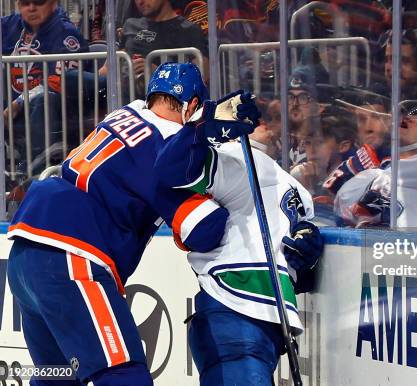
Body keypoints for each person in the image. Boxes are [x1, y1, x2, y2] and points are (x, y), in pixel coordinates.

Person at [6, 62, 259, 385]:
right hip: (72, 258)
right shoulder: (168, 151)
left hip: (26, 252)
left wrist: (206, 117)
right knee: (123, 375)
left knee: (58, 378)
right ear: (192, 106)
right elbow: (202, 229)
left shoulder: (125, 112)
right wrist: (219, 200)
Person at [154, 114, 324, 385]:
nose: (266, 123)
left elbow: (297, 267)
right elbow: (170, 169)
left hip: (263, 313)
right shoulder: (233, 157)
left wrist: (308, 251)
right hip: (234, 305)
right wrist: (203, 129)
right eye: (261, 120)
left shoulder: (295, 187)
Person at [2, 0, 88, 174]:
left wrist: (17, 103)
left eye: (39, 2)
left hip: (54, 115)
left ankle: (28, 175)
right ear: (18, 5)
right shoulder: (9, 26)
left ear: (53, 3)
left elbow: (59, 82)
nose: (32, 8)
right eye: (26, 3)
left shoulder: (67, 36)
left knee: (45, 100)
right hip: (9, 113)